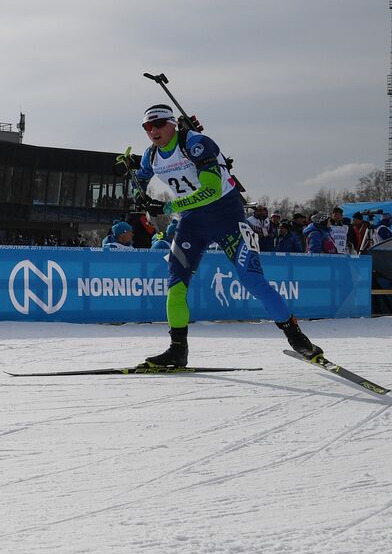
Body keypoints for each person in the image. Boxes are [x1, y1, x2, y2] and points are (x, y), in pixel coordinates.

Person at [127, 103, 321, 367]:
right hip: (192, 222)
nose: (153, 131)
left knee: (253, 281)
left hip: (225, 215)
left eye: (159, 124)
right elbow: (139, 182)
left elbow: (211, 190)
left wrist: (169, 206)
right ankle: (177, 349)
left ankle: (298, 339)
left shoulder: (197, 144)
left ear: (173, 124)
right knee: (176, 285)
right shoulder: (151, 156)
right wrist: (138, 191)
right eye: (147, 127)